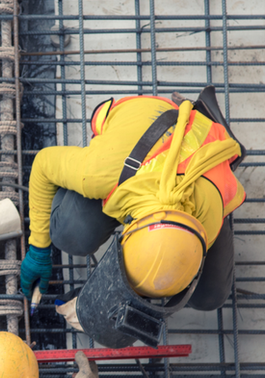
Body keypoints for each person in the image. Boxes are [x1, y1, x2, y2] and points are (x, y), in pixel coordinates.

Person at [19, 88, 247, 333]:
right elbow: (42, 165)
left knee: (209, 297)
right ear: (128, 230)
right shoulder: (99, 172)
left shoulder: (209, 220)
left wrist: (100, 299)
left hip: (203, 158)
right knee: (69, 233)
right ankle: (200, 115)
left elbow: (158, 272)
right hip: (145, 125)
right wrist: (38, 249)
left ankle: (213, 126)